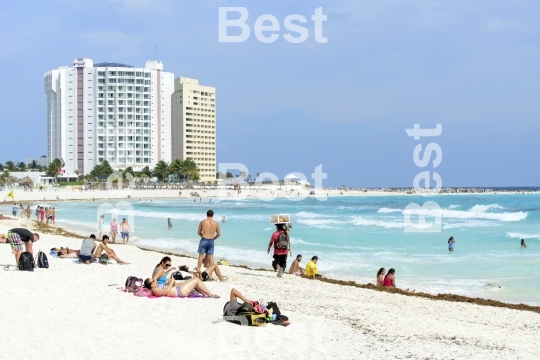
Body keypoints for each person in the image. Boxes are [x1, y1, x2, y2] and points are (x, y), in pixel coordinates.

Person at [143, 277, 219, 298]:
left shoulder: (156, 287)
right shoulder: (155, 290)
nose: (154, 280)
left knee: (192, 280)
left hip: (177, 289)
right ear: (151, 285)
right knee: (196, 280)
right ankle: (209, 294)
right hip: (180, 292)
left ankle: (205, 294)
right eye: (153, 281)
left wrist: (171, 282)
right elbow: (166, 291)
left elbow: (167, 288)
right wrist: (172, 282)